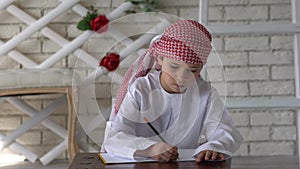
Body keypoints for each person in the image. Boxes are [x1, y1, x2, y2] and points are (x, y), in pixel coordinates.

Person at [102, 19, 243, 162]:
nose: (181, 78)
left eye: (192, 70)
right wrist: (150, 149)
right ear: (160, 58)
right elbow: (115, 137)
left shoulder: (206, 93)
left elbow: (224, 131)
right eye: (174, 67)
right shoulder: (141, 89)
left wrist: (213, 147)